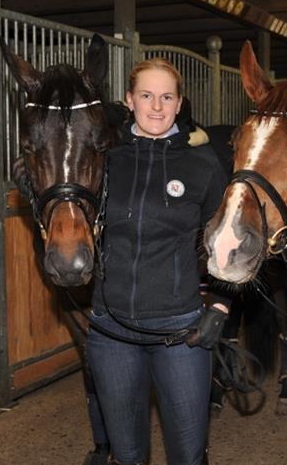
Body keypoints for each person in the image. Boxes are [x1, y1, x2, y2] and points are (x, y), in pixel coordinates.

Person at [86, 58, 230, 465]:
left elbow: (229, 244)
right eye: (146, 96)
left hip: (181, 333)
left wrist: (220, 305)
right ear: (129, 100)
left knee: (188, 455)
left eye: (166, 97)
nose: (156, 106)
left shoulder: (202, 166)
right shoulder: (105, 163)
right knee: (127, 456)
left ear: (179, 104)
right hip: (111, 332)